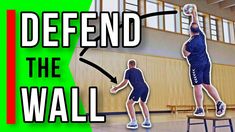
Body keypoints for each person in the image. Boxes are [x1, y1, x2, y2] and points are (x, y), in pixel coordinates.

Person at [182, 5, 226, 117]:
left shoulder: (190, 43)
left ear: (190, 31)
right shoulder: (201, 35)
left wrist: (184, 46)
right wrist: (193, 12)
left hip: (196, 66)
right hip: (206, 63)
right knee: (207, 84)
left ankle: (199, 108)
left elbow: (185, 54)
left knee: (197, 85)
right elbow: (196, 20)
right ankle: (219, 102)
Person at [110, 59, 151, 129]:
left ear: (129, 65)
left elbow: (125, 82)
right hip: (146, 87)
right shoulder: (139, 71)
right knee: (142, 103)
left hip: (138, 88)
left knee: (129, 103)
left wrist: (116, 88)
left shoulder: (128, 71)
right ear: (135, 65)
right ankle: (147, 121)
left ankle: (134, 122)